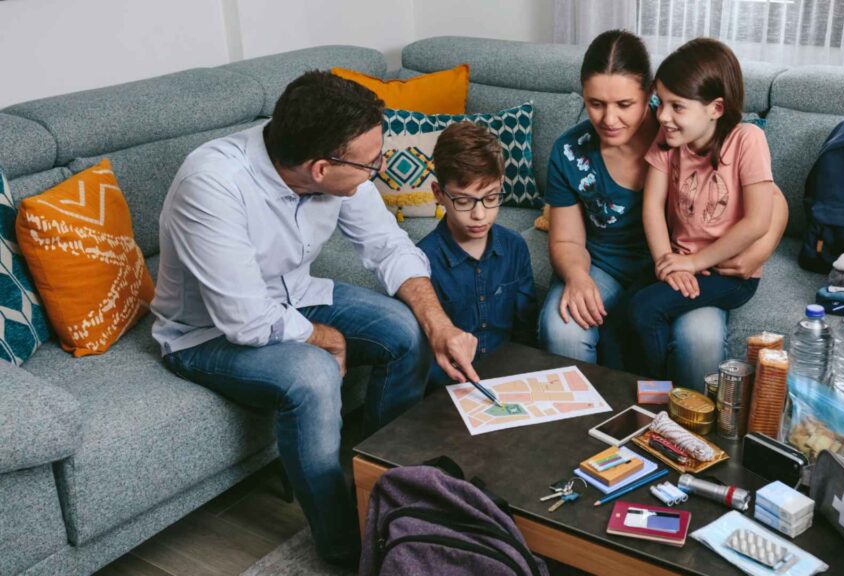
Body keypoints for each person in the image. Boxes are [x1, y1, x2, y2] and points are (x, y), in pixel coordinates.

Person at [150, 71, 480, 567]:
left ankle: (386, 491)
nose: (381, 169)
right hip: (206, 335)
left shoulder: (331, 163)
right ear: (322, 169)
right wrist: (323, 337)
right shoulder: (213, 184)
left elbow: (388, 246)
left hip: (295, 297)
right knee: (315, 373)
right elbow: (244, 319)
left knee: (405, 329)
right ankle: (346, 549)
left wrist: (440, 325)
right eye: (373, 163)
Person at [539, 30, 788, 387]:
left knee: (697, 338)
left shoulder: (678, 125)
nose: (609, 119)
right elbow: (567, 240)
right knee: (563, 328)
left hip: (694, 266)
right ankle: (592, 425)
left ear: (648, 95)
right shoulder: (571, 151)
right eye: (595, 103)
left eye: (625, 104)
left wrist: (759, 250)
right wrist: (578, 278)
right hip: (612, 265)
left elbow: (769, 202)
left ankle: (683, 428)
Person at [628, 37, 775, 378]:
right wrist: (669, 262)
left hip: (728, 273)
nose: (662, 116)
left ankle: (660, 400)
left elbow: (757, 221)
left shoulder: (748, 140)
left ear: (716, 108)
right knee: (623, 306)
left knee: (644, 309)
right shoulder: (668, 141)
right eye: (659, 102)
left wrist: (693, 262)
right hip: (681, 260)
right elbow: (651, 206)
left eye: (677, 106)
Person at [417, 122, 539, 389]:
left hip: (509, 378)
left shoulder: (514, 246)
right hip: (449, 386)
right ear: (438, 193)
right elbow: (422, 355)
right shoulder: (422, 260)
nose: (479, 214)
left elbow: (525, 329)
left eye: (491, 197)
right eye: (463, 201)